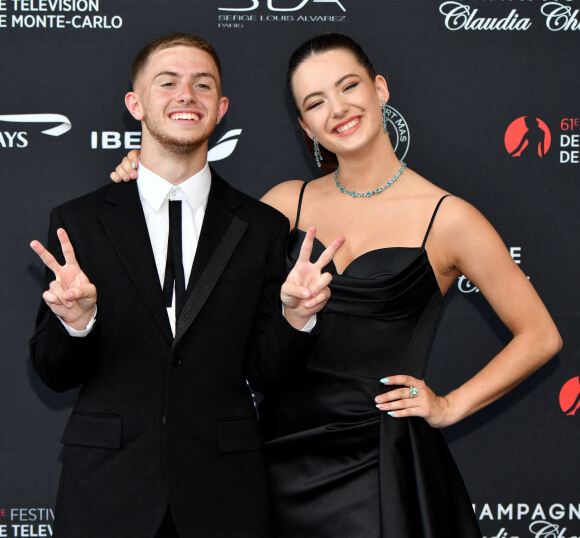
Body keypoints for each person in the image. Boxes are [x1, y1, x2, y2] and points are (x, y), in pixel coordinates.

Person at [111, 33, 562, 538]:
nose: (338, 109)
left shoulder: (449, 218)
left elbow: (540, 336)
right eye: (315, 102)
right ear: (304, 125)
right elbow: (194, 251)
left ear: (380, 89)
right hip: (273, 456)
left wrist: (450, 405)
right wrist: (146, 173)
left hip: (377, 465)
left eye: (348, 86)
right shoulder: (285, 204)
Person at [29, 32, 343, 538]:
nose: (185, 95)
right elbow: (51, 371)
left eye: (202, 85)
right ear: (136, 103)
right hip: (107, 492)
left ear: (220, 109)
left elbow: (266, 373)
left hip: (224, 493)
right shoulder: (79, 223)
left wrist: (295, 318)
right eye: (167, 82)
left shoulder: (261, 226)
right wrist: (77, 322)